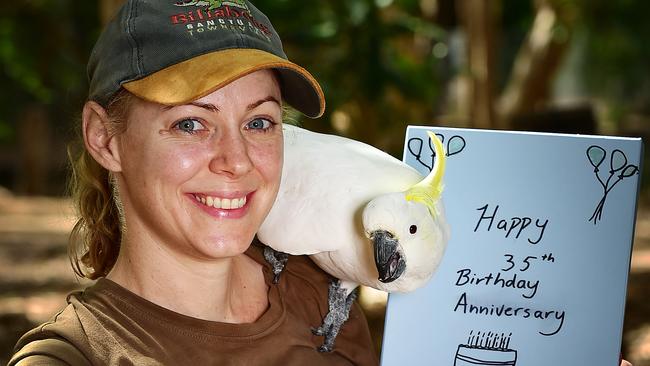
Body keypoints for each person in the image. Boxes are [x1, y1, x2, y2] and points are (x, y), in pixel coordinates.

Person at [9, 1, 378, 365]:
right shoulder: (73, 356)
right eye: (190, 124)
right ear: (105, 138)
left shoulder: (323, 297)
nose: (236, 161)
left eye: (259, 122)